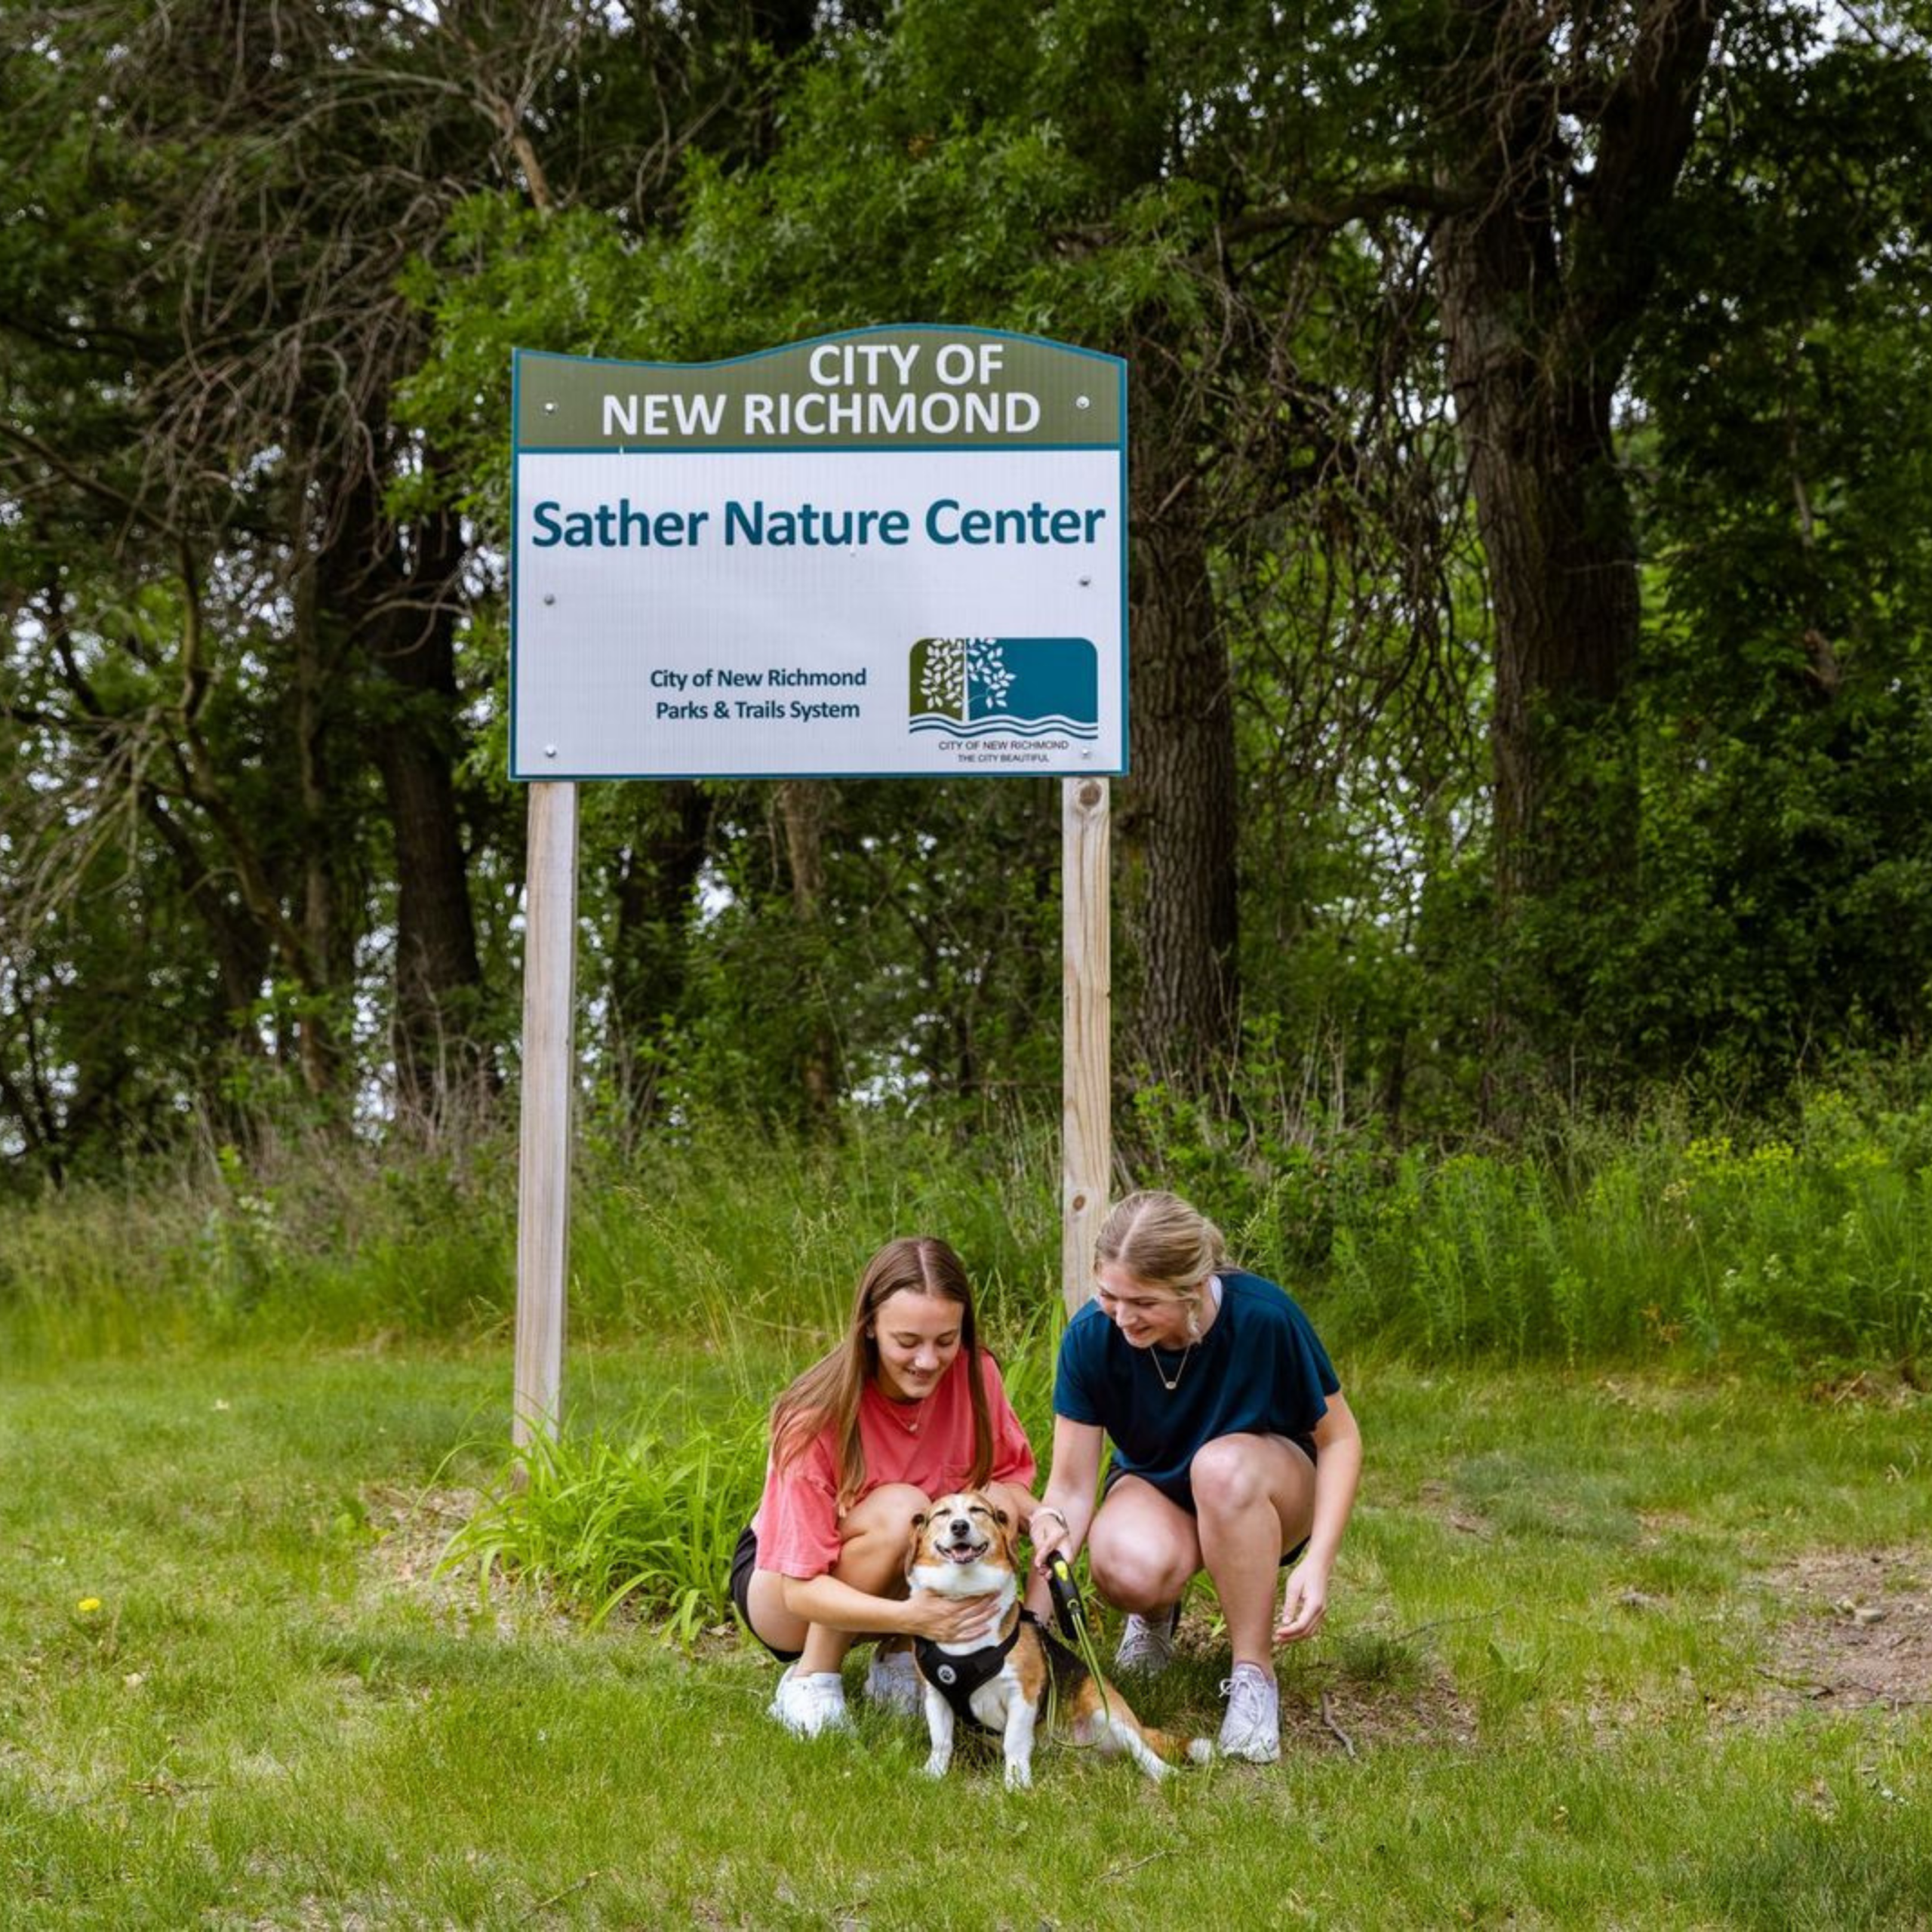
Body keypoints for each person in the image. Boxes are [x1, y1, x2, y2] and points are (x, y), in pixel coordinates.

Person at [1028, 1189, 1362, 1764]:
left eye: (1143, 1302)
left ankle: (1253, 1674)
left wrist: (1319, 1561)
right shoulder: (1091, 1335)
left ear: (1191, 1289)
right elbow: (1073, 1487)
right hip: (1160, 1484)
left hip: (1266, 1482)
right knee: (1124, 1564)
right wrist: (1031, 1622)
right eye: (1109, 1295)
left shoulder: (1265, 1317)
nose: (1122, 1316)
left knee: (1221, 1468)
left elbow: (1341, 1440)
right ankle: (1155, 1619)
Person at [731, 1235, 1039, 1737]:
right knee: (906, 1512)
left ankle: (900, 1662)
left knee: (988, 1505)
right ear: (870, 1327)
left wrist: (1043, 1517)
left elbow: (1006, 1480)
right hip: (790, 1596)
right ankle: (812, 1679)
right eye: (907, 1342)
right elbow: (800, 1590)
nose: (928, 1361)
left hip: (899, 1593)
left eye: (945, 1340)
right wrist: (913, 1617)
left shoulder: (976, 1374)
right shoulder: (813, 1417)